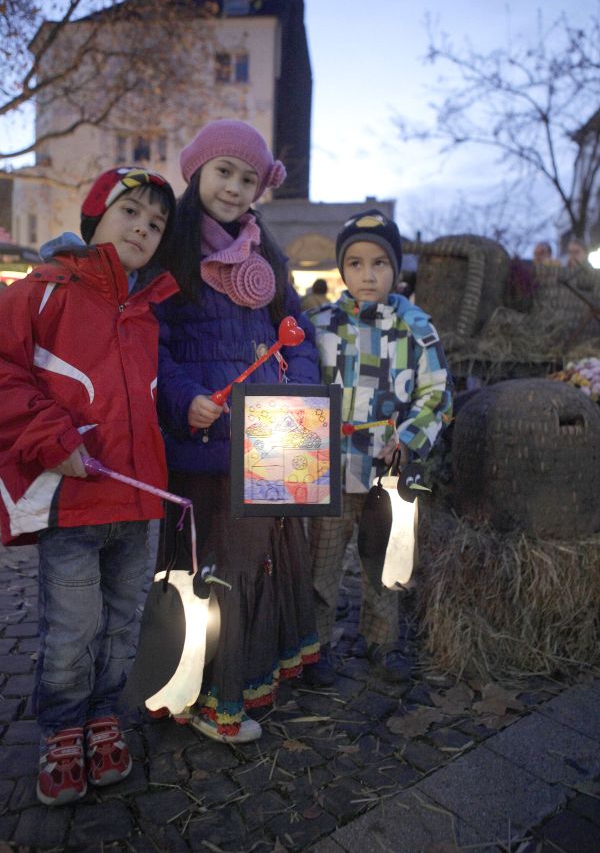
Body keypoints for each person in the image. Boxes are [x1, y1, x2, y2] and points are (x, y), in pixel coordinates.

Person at [0, 167, 178, 806]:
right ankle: (60, 728)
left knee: (123, 624)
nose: (143, 229)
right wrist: (53, 437)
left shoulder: (149, 311)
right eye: (131, 212)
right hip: (74, 505)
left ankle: (104, 715)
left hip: (139, 503)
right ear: (95, 216)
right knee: (71, 629)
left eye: (156, 223)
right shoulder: (43, 291)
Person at [154, 119, 321, 743]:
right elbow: (154, 346)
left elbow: (297, 331)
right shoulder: (171, 252)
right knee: (211, 570)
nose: (234, 187)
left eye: (248, 178)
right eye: (224, 171)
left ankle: (252, 672)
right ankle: (206, 697)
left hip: (271, 439)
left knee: (260, 563)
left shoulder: (267, 254)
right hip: (204, 445)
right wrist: (184, 398)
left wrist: (303, 388)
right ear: (197, 171)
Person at [303, 209, 453, 686]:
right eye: (356, 263)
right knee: (321, 564)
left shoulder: (416, 329)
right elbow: (299, 386)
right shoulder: (319, 326)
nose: (368, 275)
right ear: (342, 269)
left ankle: (382, 640)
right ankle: (315, 645)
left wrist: (409, 438)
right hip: (330, 472)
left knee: (385, 562)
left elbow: (437, 394)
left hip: (388, 475)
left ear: (396, 268)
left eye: (380, 264)